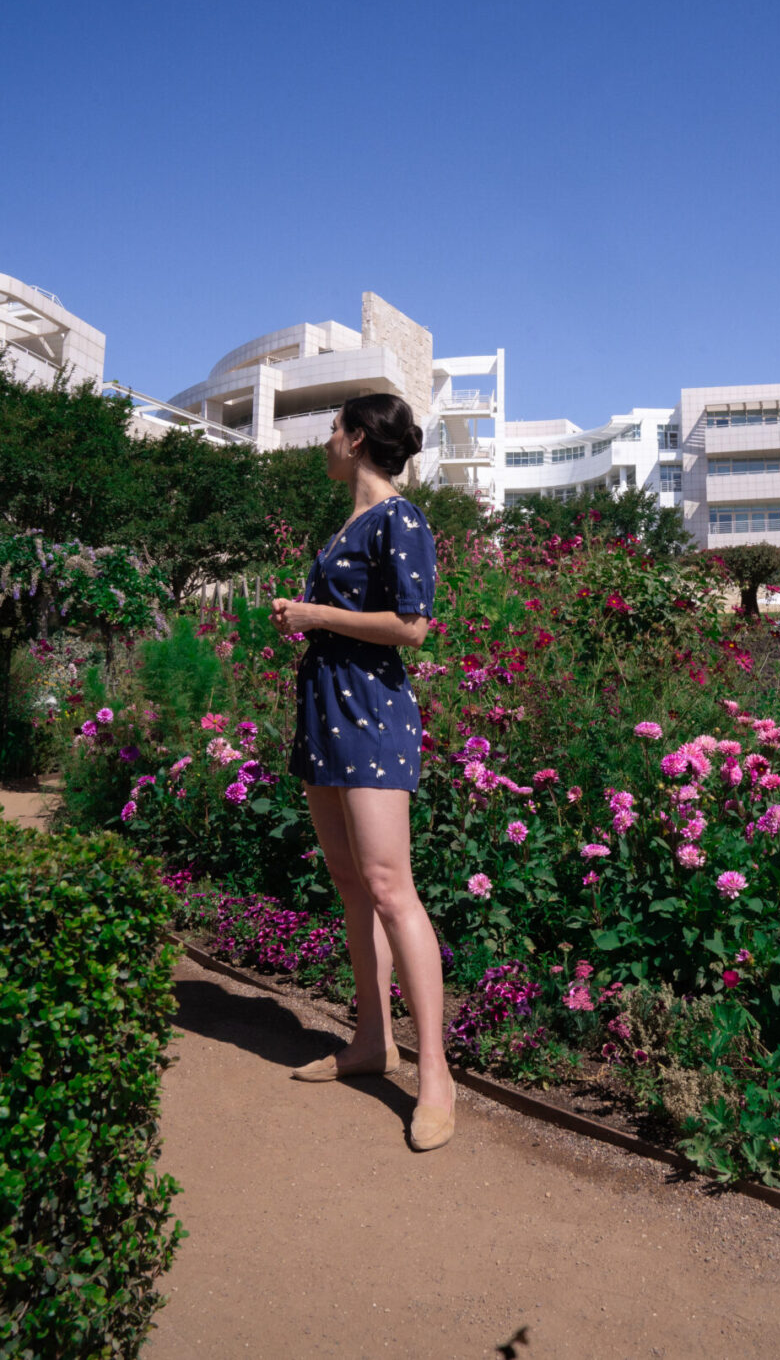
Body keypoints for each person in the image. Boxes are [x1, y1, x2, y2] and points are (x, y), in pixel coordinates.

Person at [270, 393, 455, 1152]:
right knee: (351, 883)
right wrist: (309, 619)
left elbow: (412, 625)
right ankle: (372, 1042)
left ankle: (437, 1077)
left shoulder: (399, 519)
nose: (326, 443)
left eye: (332, 431)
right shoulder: (349, 523)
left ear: (355, 439)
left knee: (389, 886)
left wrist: (315, 616)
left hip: (373, 714)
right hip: (326, 710)